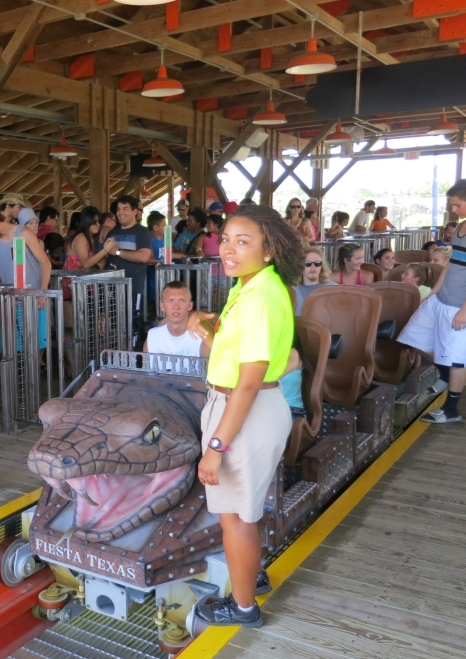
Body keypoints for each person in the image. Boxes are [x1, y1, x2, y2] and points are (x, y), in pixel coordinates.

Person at [184, 204, 302, 630]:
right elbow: (232, 355)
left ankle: (244, 608)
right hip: (239, 405)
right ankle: (249, 581)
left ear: (268, 250)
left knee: (235, 518)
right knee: (239, 512)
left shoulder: (260, 298)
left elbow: (248, 383)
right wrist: (206, 328)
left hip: (244, 411)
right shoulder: (249, 286)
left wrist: (216, 447)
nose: (228, 249)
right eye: (226, 239)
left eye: (243, 241)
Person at [397, 179, 466, 424]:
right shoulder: (462, 227)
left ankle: (451, 408)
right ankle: (443, 374)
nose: (454, 210)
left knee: (456, 357)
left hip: (462, 305)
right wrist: (432, 294)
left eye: (457, 205)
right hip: (442, 299)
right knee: (411, 335)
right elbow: (452, 265)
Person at [105, 195, 154, 313]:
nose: (120, 212)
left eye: (125, 208)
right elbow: (105, 255)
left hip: (133, 287)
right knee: (112, 320)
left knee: (132, 322)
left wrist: (117, 251)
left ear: (134, 211)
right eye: (118, 209)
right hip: (111, 286)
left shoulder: (142, 232)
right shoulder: (112, 232)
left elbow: (143, 257)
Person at [144, 281, 208, 358]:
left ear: (190, 306)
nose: (176, 307)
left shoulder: (201, 337)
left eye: (181, 301)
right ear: (162, 306)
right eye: (170, 301)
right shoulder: (152, 337)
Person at [64, 206, 114, 271]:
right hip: (73, 279)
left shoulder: (90, 237)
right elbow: (86, 264)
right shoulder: (80, 237)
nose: (97, 225)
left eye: (99, 222)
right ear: (86, 222)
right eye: (94, 222)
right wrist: (105, 250)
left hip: (80, 279)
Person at [293, 247, 336, 313]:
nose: (313, 267)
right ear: (300, 267)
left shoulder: (333, 288)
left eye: (317, 263)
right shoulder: (293, 290)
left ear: (321, 267)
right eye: (307, 263)